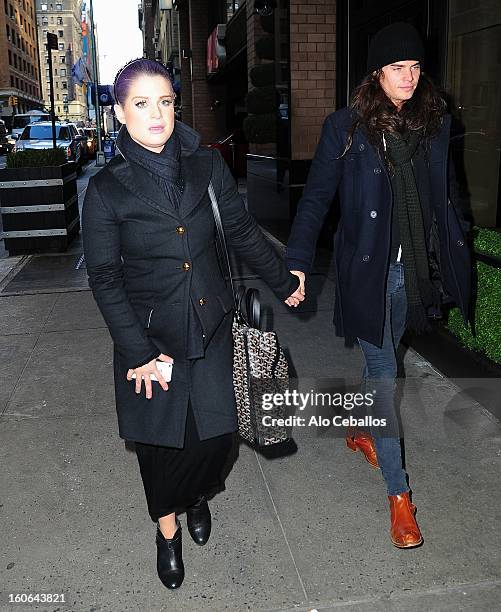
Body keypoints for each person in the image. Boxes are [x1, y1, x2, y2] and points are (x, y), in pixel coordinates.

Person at [82, 58, 303, 590]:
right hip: (151, 338)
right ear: (120, 113)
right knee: (162, 447)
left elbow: (243, 231)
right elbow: (106, 280)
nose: (156, 114)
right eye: (141, 103)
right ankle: (167, 531)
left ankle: (197, 494)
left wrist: (283, 279)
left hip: (213, 325)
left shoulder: (205, 166)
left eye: (165, 101)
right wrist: (137, 353)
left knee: (217, 434)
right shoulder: (107, 190)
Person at [286, 23, 471, 548]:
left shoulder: (434, 123)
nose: (408, 77)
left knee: (384, 366)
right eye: (396, 68)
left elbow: (447, 195)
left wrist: (453, 252)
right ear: (376, 73)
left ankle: (366, 432)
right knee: (383, 372)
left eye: (415, 67)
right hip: (370, 270)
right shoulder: (346, 128)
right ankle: (399, 496)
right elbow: (317, 198)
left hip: (413, 270)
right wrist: (296, 260)